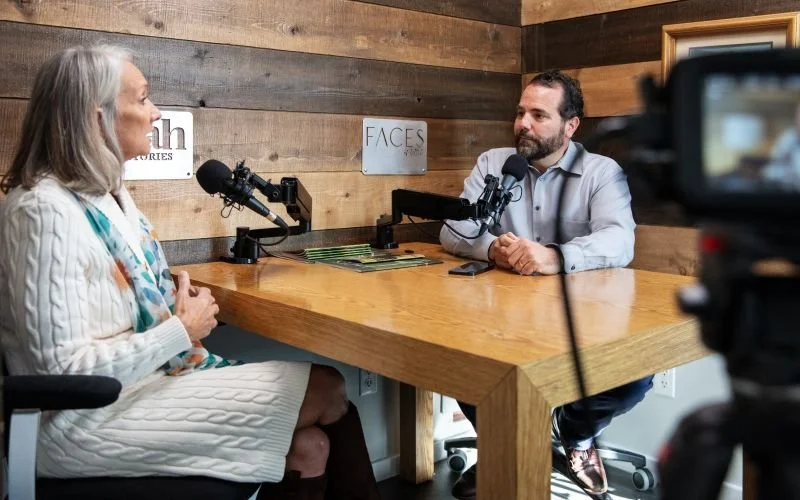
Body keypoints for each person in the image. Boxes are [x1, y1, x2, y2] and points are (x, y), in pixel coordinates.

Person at [0, 45, 381, 500]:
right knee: (329, 388)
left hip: (142, 387)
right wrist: (179, 329)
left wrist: (173, 306)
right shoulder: (41, 211)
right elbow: (61, 375)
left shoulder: (110, 197)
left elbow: (125, 306)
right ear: (94, 116)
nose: (156, 113)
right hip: (81, 422)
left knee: (310, 446)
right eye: (142, 100)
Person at [440, 70, 651, 498]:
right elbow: (452, 230)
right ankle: (504, 444)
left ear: (570, 126)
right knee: (453, 353)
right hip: (504, 317)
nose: (523, 124)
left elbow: (621, 240)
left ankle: (576, 435)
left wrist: (555, 256)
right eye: (520, 113)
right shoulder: (492, 164)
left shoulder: (601, 173)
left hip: (586, 317)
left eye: (539, 114)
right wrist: (493, 248)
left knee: (637, 375)